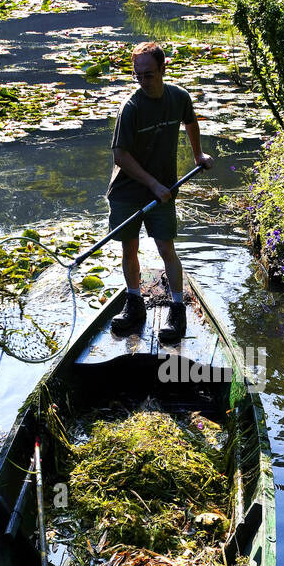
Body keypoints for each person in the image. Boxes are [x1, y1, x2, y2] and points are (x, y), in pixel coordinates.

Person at [105, 41, 213, 342]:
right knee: (129, 249)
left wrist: (198, 156)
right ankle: (134, 303)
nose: (142, 80)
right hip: (127, 191)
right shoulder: (131, 108)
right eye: (137, 75)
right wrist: (151, 184)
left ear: (163, 69)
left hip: (163, 190)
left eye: (149, 74)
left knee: (167, 249)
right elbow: (120, 156)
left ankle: (177, 309)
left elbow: (191, 123)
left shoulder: (179, 97)